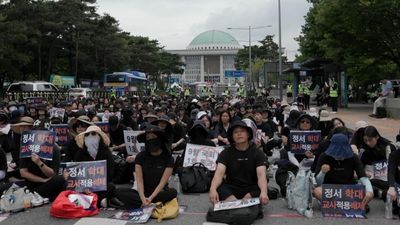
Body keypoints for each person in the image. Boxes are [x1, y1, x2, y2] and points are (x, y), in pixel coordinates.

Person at [114, 125, 177, 209]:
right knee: (118, 191)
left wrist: (151, 198)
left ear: (160, 139)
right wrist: (143, 198)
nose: (151, 140)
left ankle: (142, 203)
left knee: (173, 193)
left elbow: (163, 182)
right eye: (148, 138)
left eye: (153, 137)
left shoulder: (168, 158)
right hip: (143, 191)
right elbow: (139, 180)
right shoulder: (141, 156)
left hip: (159, 192)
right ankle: (147, 203)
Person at [209, 120, 269, 206]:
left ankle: (239, 203)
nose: (239, 134)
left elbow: (261, 175)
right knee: (218, 188)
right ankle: (238, 203)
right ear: (232, 137)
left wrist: (263, 192)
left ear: (248, 134)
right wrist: (212, 190)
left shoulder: (258, 153)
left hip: (251, 187)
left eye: (242, 131)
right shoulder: (226, 152)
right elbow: (219, 174)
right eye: (236, 132)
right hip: (232, 187)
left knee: (263, 187)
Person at [313, 133, 374, 212]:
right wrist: (322, 172)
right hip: (330, 188)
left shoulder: (353, 157)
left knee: (368, 192)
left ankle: (336, 205)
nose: (339, 157)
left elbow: (363, 177)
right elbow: (318, 182)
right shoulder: (323, 156)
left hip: (348, 188)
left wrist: (370, 191)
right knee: (317, 191)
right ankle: (345, 205)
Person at [74, 125, 122, 208]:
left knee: (111, 187)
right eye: (87, 135)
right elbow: (77, 171)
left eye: (93, 134)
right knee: (67, 185)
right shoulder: (80, 152)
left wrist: (99, 179)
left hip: (101, 184)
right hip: (85, 185)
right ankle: (99, 201)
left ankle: (86, 201)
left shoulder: (106, 152)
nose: (90, 137)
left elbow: (110, 173)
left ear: (99, 137)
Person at [19, 119, 66, 202]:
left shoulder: (54, 148)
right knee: (4, 187)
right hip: (32, 182)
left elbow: (52, 174)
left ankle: (31, 196)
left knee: (59, 180)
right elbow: (23, 173)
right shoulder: (27, 146)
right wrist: (42, 180)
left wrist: (39, 163)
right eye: (36, 131)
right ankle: (34, 195)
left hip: (48, 182)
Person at [360, 126, 396, 201]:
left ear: (377, 137)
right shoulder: (365, 151)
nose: (368, 143)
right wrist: (364, 172)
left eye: (370, 140)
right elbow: (359, 167)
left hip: (389, 178)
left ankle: (381, 192)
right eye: (365, 140)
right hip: (373, 179)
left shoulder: (389, 147)